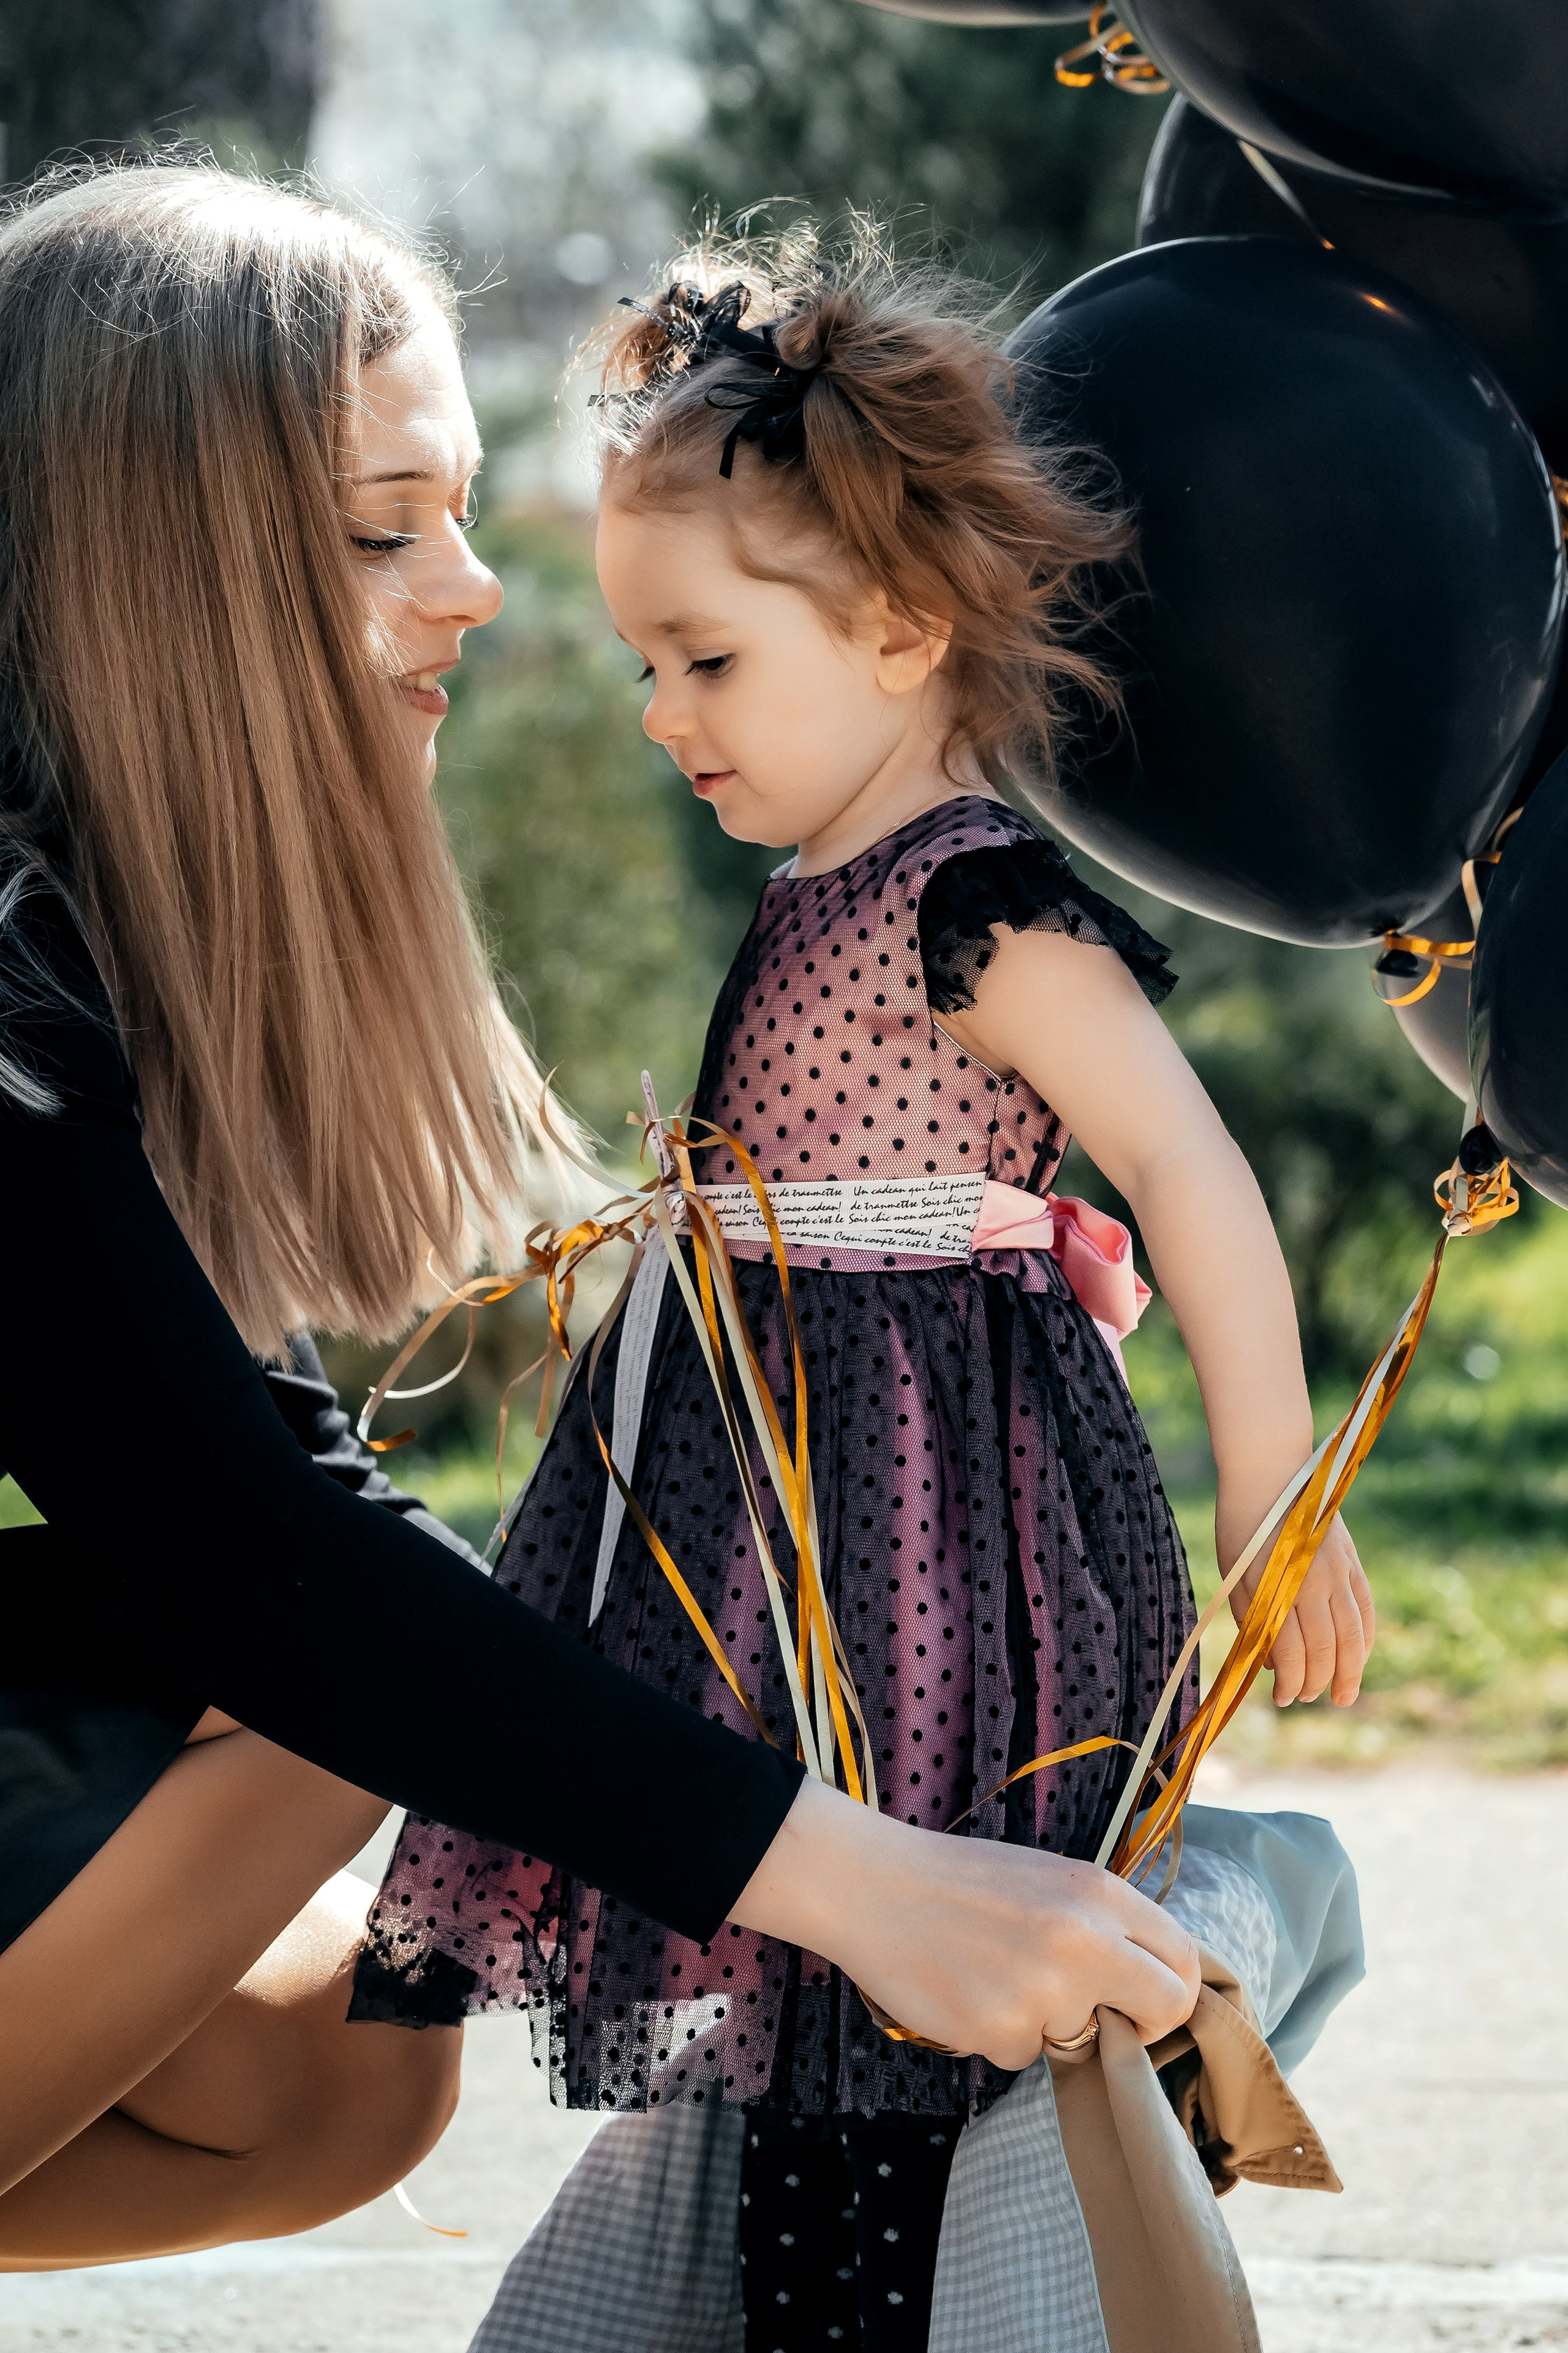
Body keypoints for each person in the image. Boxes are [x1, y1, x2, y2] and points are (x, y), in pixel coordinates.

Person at [0, 167, 1202, 2273]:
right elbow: (255, 1572)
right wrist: (858, 1884)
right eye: (386, 526)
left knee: (346, 2058)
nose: (469, 587)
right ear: (145, 562)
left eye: (458, 512)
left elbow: (263, 1509)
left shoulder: (86, 937)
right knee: (305, 1683)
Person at [355, 227, 1376, 2349]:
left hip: (938, 1538)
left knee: (901, 2024)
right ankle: (806, 2297)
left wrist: (1281, 1489)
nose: (660, 717)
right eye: (648, 665)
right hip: (788, 1530)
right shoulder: (818, 878)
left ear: (902, 626)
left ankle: (1006, 2207)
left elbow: (1189, 1167)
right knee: (805, 1976)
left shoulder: (978, 905)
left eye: (708, 661)